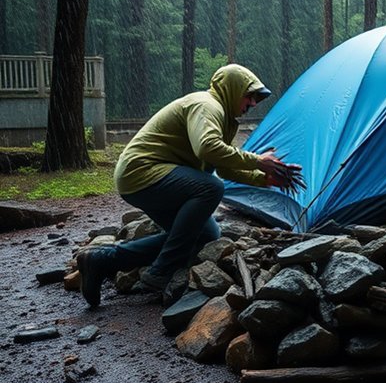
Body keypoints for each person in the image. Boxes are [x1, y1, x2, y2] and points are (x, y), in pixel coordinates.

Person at [76, 64, 304, 308]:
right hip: (142, 172)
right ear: (232, 89)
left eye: (257, 98)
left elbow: (223, 166)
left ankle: (100, 261)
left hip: (155, 179)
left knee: (205, 237)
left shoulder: (224, 117)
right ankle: (161, 270)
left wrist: (262, 178)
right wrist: (258, 160)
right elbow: (206, 148)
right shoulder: (207, 105)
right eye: (249, 96)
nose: (253, 103)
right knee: (211, 188)